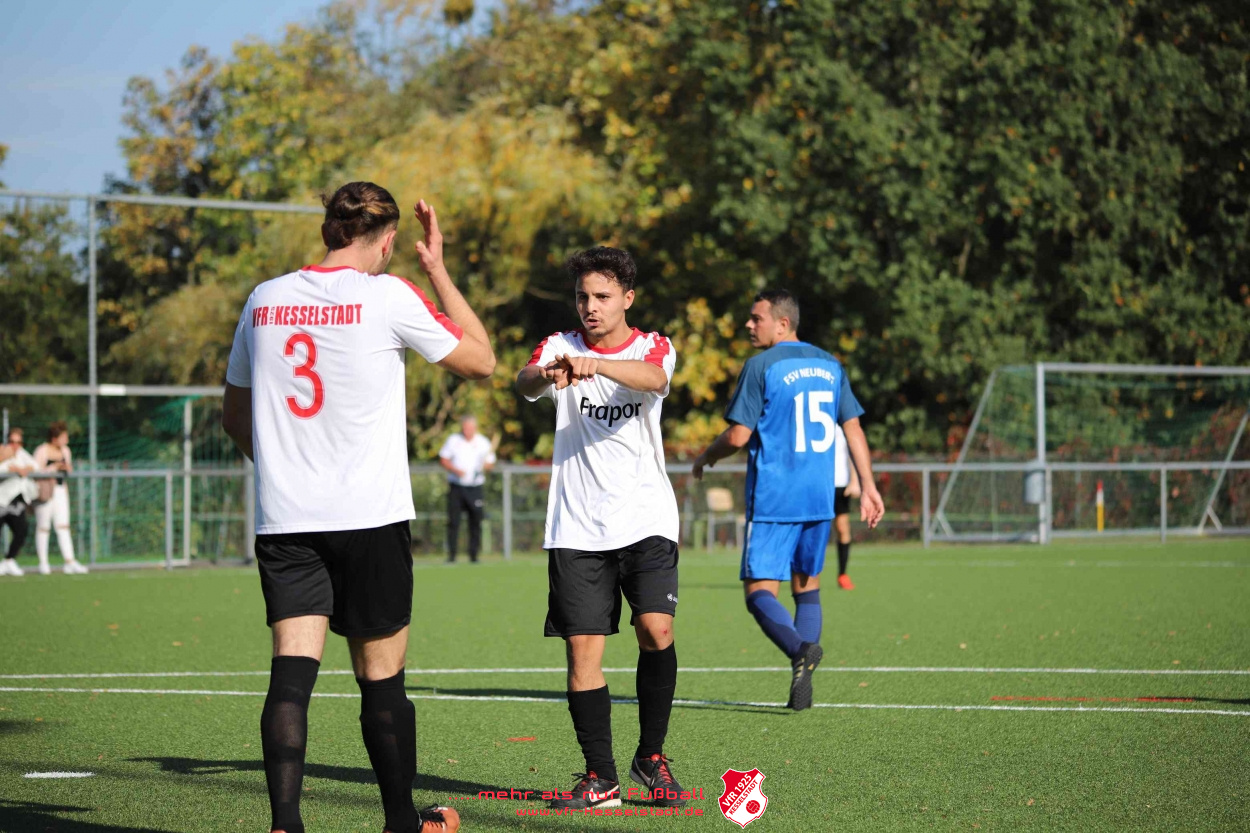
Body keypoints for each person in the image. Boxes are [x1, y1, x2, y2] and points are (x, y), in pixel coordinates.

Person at [222, 182, 494, 833]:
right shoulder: (389, 295)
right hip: (370, 517)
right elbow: (481, 361)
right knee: (382, 680)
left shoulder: (264, 300)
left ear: (328, 231)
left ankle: (285, 824)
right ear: (388, 240)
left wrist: (286, 469)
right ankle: (401, 822)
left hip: (288, 518)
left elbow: (234, 416)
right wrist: (438, 269)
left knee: (291, 677)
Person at [515, 247, 685, 811]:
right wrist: (547, 374)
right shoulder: (558, 346)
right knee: (583, 654)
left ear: (627, 299)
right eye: (583, 296)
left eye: (603, 296)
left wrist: (598, 365)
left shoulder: (652, 345)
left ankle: (651, 758)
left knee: (656, 630)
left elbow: (654, 378)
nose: (591, 306)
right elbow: (524, 382)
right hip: (577, 527)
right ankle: (601, 777)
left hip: (646, 519)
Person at [692, 289, 885, 711]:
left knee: (759, 591)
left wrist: (707, 455)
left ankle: (800, 651)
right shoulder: (830, 364)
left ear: (782, 323)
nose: (748, 325)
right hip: (819, 496)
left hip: (776, 496)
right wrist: (869, 485)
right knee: (807, 586)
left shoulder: (761, 365)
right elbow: (852, 427)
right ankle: (803, 678)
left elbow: (738, 436)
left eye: (756, 318)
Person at [438, 415, 496, 563]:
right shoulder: (453, 440)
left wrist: (486, 466)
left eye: (470, 428)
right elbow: (444, 459)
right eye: (464, 428)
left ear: (475, 428)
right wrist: (456, 470)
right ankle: (451, 556)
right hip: (456, 487)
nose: (467, 431)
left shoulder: (483, 442)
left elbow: (490, 463)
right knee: (453, 521)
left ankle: (474, 555)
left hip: (475, 488)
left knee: (475, 521)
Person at [33, 422, 87, 575]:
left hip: (60, 490)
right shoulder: (42, 450)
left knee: (63, 526)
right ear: (54, 438)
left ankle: (69, 561)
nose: (66, 440)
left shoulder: (66, 451)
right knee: (43, 527)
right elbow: (35, 471)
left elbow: (68, 469)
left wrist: (66, 468)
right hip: (45, 491)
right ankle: (43, 563)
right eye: (63, 437)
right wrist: (53, 467)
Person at [0, 427, 38, 577]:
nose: (15, 445)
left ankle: (9, 560)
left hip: (16, 500)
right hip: (2, 499)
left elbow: (35, 465)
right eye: (12, 441)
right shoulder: (3, 452)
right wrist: (11, 467)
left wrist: (24, 468)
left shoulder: (22, 454)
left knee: (21, 530)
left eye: (19, 442)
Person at [832, 423, 861, 590]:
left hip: (841, 484)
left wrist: (855, 480)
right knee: (814, 529)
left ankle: (843, 574)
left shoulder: (844, 422)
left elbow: (852, 452)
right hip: (818, 483)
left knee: (842, 528)